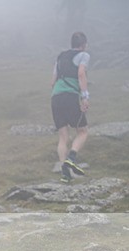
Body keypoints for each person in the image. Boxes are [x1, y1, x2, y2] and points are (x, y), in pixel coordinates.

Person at [51, 31, 90, 183]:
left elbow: (52, 80)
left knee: (63, 136)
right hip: (70, 95)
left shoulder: (60, 57)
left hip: (55, 97)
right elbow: (81, 74)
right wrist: (85, 97)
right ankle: (71, 158)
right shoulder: (83, 55)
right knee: (83, 131)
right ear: (83, 44)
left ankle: (65, 173)